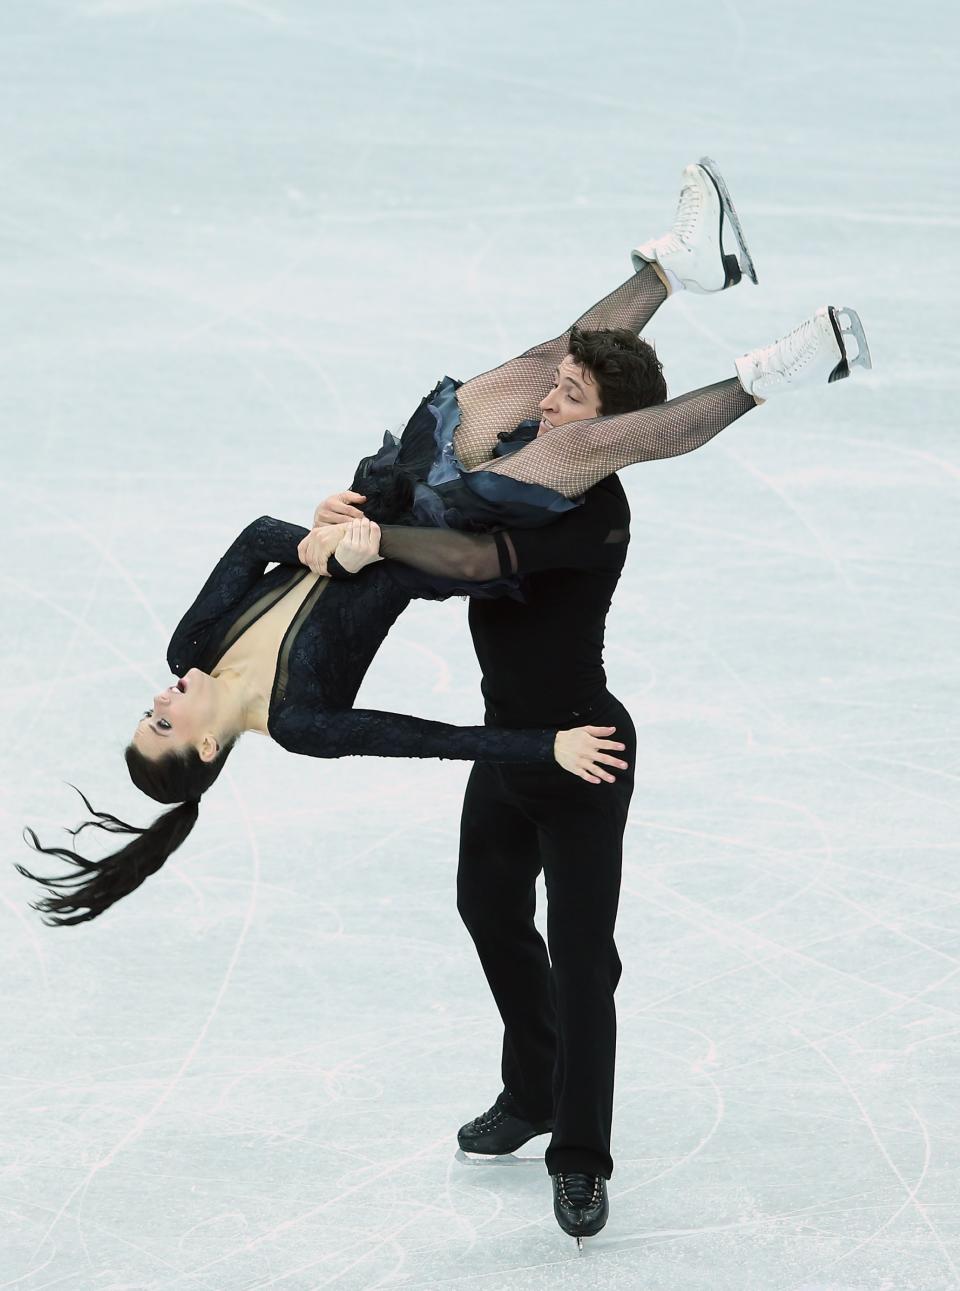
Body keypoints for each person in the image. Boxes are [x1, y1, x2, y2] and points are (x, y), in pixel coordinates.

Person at [300, 157, 871, 1250]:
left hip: (584, 753)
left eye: (574, 397)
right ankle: (530, 1086)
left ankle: (578, 1154)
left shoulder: (582, 514)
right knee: (485, 908)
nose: (556, 398)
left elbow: (472, 561)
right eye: (561, 388)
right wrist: (361, 498)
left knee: (582, 956)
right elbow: (472, 457)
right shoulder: (527, 453)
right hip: (515, 743)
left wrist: (384, 542)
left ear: (599, 431)